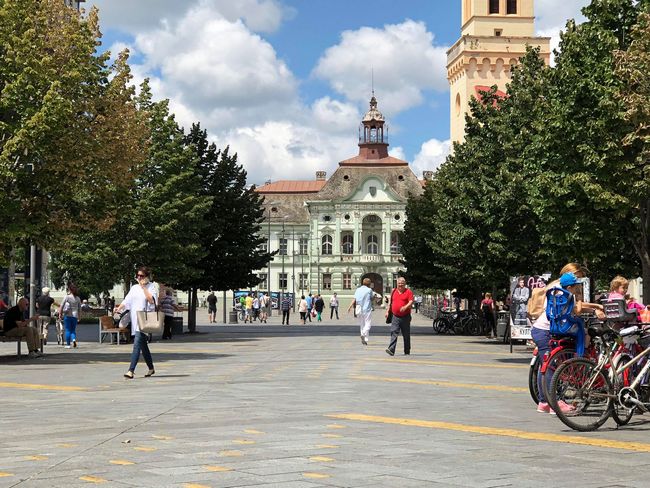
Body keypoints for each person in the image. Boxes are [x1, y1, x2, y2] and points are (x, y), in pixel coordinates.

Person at [531, 263, 604, 414]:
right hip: (545, 330)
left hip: (541, 329)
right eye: (578, 278)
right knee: (551, 366)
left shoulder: (556, 286)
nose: (580, 283)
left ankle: (544, 402)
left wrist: (593, 306)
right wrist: (595, 308)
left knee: (545, 366)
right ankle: (555, 402)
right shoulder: (561, 289)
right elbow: (575, 308)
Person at [115, 266, 157, 379]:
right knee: (143, 346)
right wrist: (119, 308)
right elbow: (127, 301)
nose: (139, 278)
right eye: (138, 275)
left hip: (144, 320)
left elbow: (152, 300)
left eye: (141, 276)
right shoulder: (134, 288)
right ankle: (151, 368)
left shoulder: (151, 287)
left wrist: (144, 287)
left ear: (147, 277)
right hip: (135, 319)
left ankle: (131, 370)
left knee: (136, 344)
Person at [385, 277, 414, 356]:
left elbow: (411, 301)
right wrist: (387, 311)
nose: (400, 285)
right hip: (395, 316)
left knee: (406, 334)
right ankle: (391, 349)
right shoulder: (393, 291)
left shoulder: (408, 292)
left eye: (402, 283)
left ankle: (407, 350)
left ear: (405, 284)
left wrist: (405, 307)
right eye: (399, 283)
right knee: (394, 331)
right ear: (396, 284)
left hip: (405, 316)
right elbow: (390, 302)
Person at [60, 283, 82, 349]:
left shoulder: (67, 297)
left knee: (68, 330)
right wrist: (80, 316)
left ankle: (68, 344)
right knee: (73, 330)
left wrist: (60, 314)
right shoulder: (78, 298)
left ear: (69, 289)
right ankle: (74, 340)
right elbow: (80, 309)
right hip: (75, 316)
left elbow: (62, 306)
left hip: (67, 315)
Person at [353, 278, 374, 345]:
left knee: (362, 324)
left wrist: (353, 308)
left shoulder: (358, 289)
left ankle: (365, 339)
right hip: (367, 309)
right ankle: (364, 334)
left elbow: (355, 299)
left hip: (359, 309)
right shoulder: (369, 290)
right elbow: (371, 298)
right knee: (368, 324)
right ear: (369, 284)